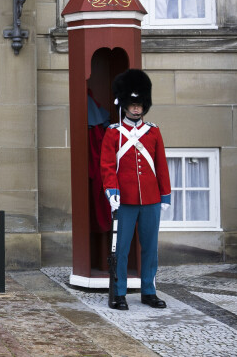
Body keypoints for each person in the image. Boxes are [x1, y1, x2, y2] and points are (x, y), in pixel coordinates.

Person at [100, 69, 171, 310]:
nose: (136, 108)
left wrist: (165, 194)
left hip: (150, 199)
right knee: (121, 249)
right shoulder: (113, 134)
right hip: (125, 200)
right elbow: (107, 166)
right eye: (132, 104)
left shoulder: (153, 132)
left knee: (150, 247)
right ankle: (119, 292)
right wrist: (112, 192)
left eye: (140, 104)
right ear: (124, 105)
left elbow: (161, 164)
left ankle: (148, 291)